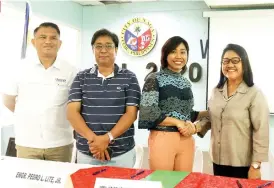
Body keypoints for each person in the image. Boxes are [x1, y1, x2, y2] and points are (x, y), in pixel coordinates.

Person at [2, 22, 77, 162]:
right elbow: (8, 100)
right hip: (27, 142)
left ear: (59, 43)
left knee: (58, 182)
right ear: (33, 42)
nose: (48, 41)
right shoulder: (19, 68)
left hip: (60, 144)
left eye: (53, 38)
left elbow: (75, 105)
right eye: (42, 37)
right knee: (28, 183)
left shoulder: (71, 71)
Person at [67, 28, 141, 168]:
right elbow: (72, 113)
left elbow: (131, 114)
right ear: (93, 50)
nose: (103, 50)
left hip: (121, 154)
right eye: (98, 46)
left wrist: (107, 138)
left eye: (108, 46)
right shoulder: (81, 77)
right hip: (87, 152)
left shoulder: (129, 77)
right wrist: (95, 142)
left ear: (116, 50)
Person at [196, 43, 269, 179]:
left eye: (235, 61)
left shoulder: (254, 93)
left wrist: (256, 166)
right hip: (218, 160)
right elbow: (212, 118)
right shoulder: (216, 91)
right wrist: (195, 127)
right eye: (225, 61)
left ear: (244, 64)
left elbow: (261, 130)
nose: (229, 65)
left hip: (242, 163)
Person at [138, 36, 208, 171]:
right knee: (163, 183)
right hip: (163, 137)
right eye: (173, 51)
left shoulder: (186, 82)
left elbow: (186, 114)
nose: (178, 56)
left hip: (186, 140)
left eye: (183, 52)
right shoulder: (154, 78)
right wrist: (177, 122)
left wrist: (209, 113)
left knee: (183, 183)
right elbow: (148, 112)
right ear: (165, 55)